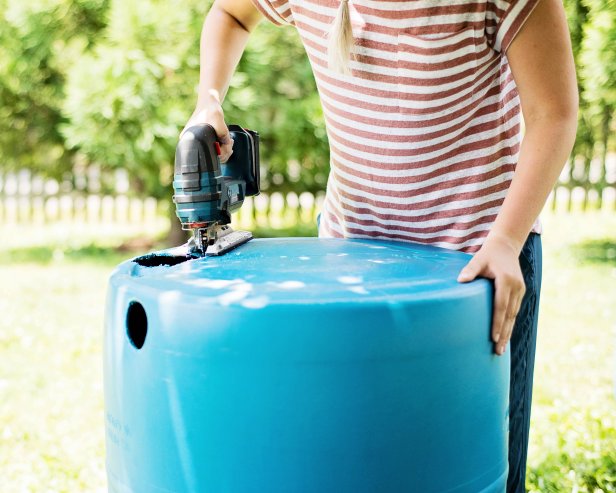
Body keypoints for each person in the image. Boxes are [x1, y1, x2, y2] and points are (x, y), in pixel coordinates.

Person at [183, 0, 578, 490]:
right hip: (354, 259)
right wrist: (209, 98)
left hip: (480, 262)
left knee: (469, 466)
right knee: (358, 458)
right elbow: (232, 13)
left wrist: (506, 239)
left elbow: (553, 112)